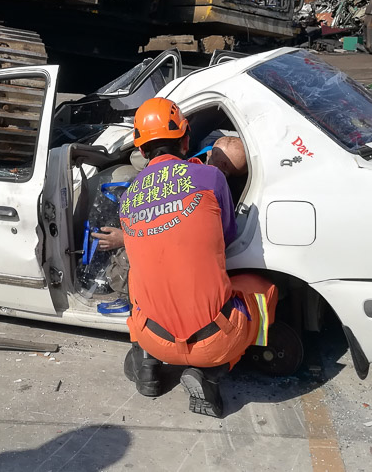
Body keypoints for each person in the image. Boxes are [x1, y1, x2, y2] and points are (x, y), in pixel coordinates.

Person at [94, 98, 276, 418]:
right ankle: (211, 372)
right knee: (264, 287)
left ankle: (147, 364)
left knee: (137, 276)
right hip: (213, 340)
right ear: (186, 140)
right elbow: (227, 236)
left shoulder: (129, 197)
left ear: (140, 148)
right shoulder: (211, 178)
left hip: (155, 338)